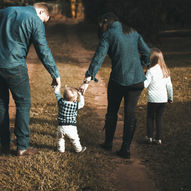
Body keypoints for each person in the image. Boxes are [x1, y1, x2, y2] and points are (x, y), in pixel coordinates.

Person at [80, 12, 150, 159]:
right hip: (137, 81)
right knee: (130, 114)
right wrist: (143, 64)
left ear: (106, 22)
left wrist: (87, 80)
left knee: (112, 111)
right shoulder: (132, 31)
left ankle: (108, 143)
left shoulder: (108, 35)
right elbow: (147, 52)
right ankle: (126, 149)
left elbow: (98, 58)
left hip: (118, 80)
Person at [0, 3, 61, 156]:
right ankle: (22, 146)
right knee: (23, 104)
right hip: (15, 67)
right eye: (44, 20)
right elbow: (43, 49)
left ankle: (4, 145)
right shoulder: (35, 20)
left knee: (1, 104)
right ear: (41, 11)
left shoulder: (5, 11)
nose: (43, 24)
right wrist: (55, 73)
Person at [144, 47, 173, 145]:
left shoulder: (150, 71)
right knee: (159, 118)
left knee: (150, 117)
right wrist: (170, 97)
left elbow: (145, 85)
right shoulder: (165, 71)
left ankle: (149, 137)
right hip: (163, 99)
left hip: (153, 99)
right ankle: (159, 138)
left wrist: (142, 77)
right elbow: (169, 86)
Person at [54, 85, 86, 153]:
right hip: (71, 127)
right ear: (74, 99)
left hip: (61, 126)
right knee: (75, 139)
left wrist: (56, 88)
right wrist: (81, 96)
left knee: (60, 139)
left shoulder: (61, 102)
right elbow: (82, 104)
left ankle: (60, 150)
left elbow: (57, 94)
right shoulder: (75, 105)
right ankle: (79, 150)